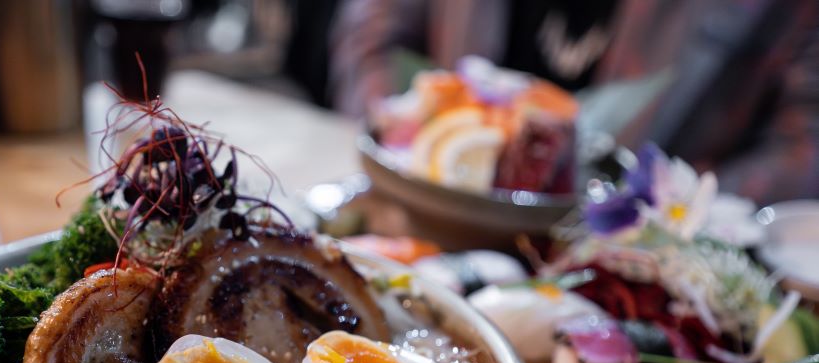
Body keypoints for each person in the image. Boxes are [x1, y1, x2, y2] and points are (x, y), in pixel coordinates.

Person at [329, 0, 819, 204]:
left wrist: (669, 203)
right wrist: (402, 143)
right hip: (416, 209)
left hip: (610, 265)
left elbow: (805, 145)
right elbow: (376, 30)